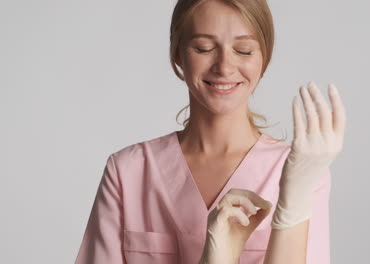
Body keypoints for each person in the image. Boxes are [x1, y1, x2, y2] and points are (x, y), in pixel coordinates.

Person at [74, 0, 347, 263]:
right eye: (204, 48)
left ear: (265, 57)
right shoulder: (128, 172)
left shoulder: (299, 172)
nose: (225, 67)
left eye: (244, 50)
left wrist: (293, 206)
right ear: (177, 53)